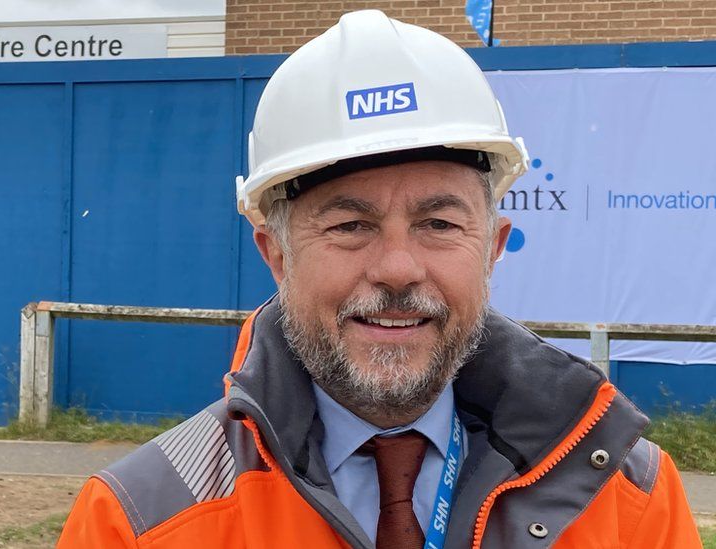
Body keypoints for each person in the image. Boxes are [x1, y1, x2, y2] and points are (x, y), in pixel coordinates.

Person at [58, 10, 700, 549]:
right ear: (275, 254)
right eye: (349, 226)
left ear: (494, 247)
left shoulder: (629, 501)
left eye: (439, 224)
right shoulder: (140, 523)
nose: (398, 268)